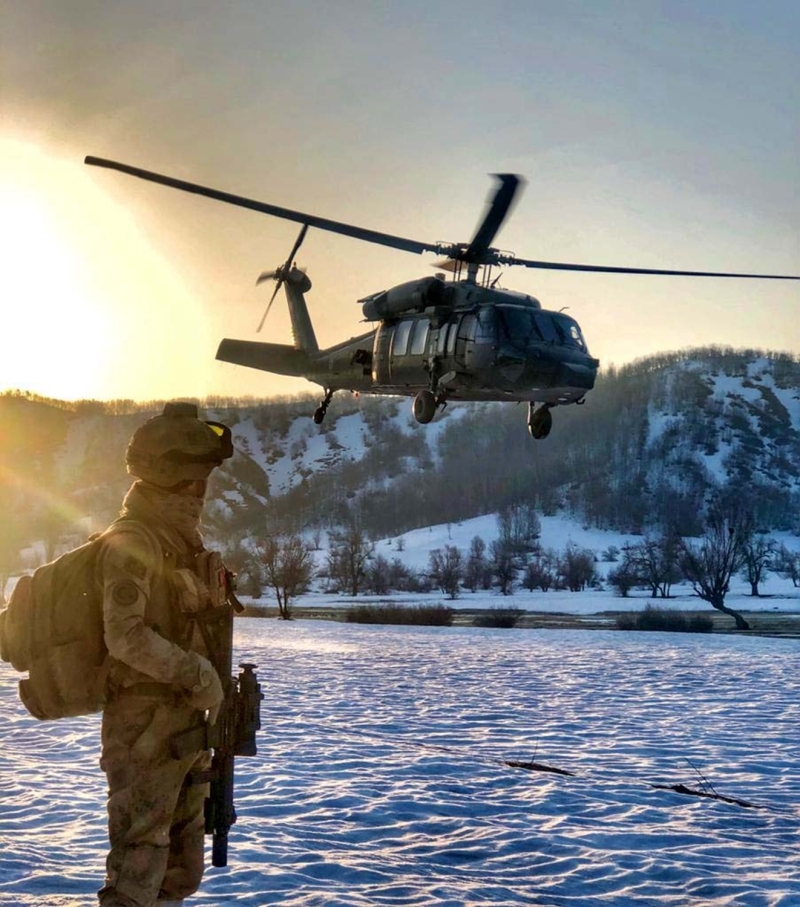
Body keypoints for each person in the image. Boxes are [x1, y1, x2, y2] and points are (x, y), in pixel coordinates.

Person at [97, 402, 234, 907]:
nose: (201, 491)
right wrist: (197, 672)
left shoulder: (182, 543)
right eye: (194, 479)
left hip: (186, 725)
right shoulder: (132, 541)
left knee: (180, 869)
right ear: (169, 477)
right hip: (143, 728)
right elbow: (125, 636)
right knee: (138, 866)